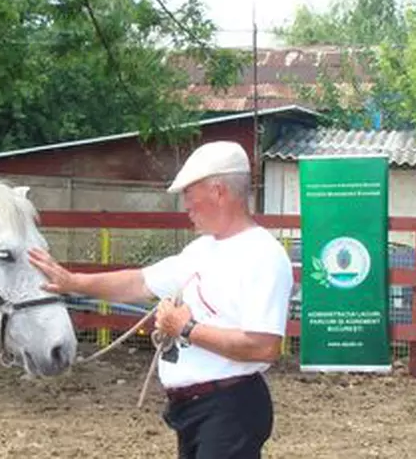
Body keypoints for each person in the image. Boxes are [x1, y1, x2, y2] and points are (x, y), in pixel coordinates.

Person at [28, 140, 294, 458]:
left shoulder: (262, 255)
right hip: (203, 408)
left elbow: (263, 346)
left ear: (218, 191)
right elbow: (140, 281)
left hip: (228, 408)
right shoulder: (201, 250)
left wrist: (186, 328)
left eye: (189, 194)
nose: (186, 205)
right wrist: (73, 282)